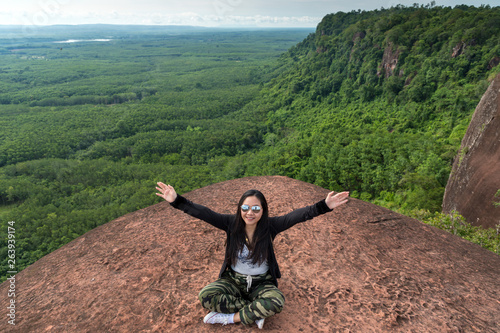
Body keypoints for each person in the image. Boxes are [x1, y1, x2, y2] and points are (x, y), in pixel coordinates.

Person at [155, 181, 349, 329]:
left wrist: (324, 205)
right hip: (233, 281)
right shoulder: (230, 224)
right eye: (245, 208)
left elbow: (298, 215)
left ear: (262, 210)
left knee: (276, 301)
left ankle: (229, 318)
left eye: (256, 208)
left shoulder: (270, 226)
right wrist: (176, 201)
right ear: (240, 209)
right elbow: (203, 213)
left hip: (261, 283)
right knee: (206, 296)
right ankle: (255, 311)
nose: (250, 212)